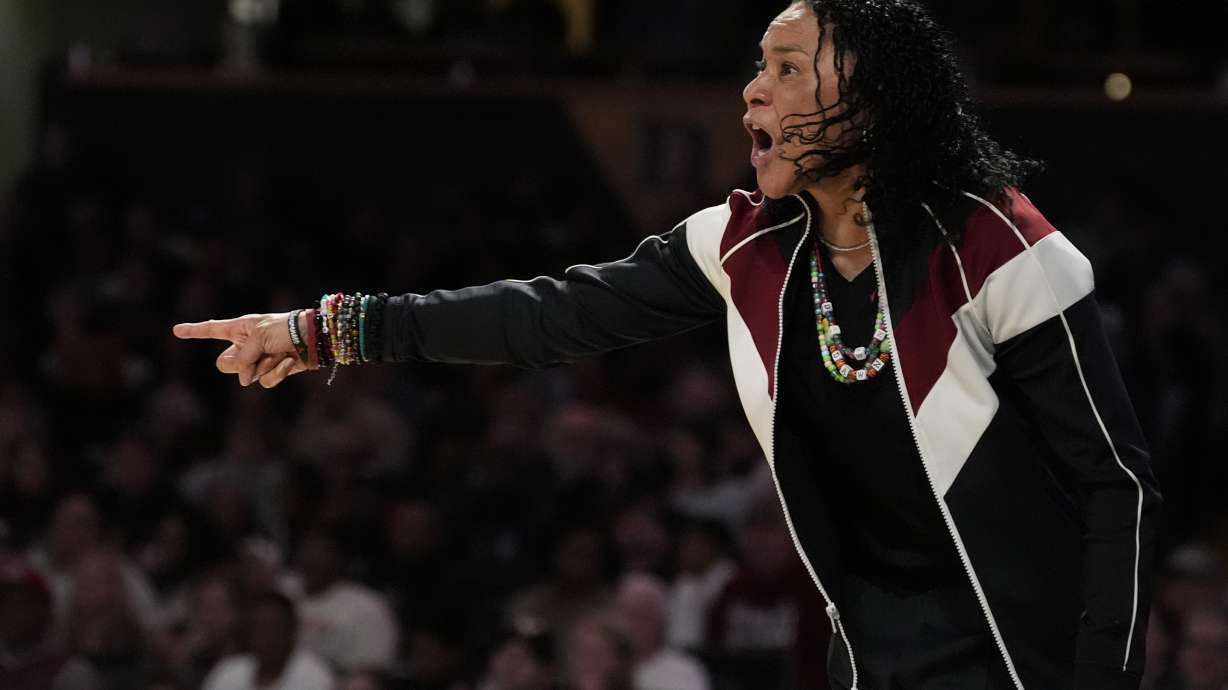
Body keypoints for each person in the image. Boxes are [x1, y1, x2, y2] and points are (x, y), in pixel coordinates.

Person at [173, 1, 1161, 687]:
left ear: (868, 104)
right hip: (869, 666)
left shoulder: (996, 245)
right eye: (756, 67)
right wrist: (329, 330)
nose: (752, 92)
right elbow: (549, 314)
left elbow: (1116, 485)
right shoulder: (740, 248)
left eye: (786, 69)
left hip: (1026, 668)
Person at [201, 590, 334, 690]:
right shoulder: (228, 672)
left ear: (291, 630)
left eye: (273, 628)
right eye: (259, 628)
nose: (266, 636)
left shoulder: (315, 677)